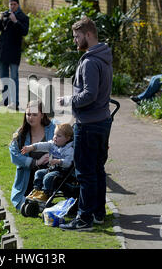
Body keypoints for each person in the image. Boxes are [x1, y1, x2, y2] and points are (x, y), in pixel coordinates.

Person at [57, 16, 113, 231]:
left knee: (85, 172)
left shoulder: (90, 61)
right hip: (102, 121)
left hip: (88, 124)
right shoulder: (104, 57)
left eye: (77, 36)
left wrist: (67, 100)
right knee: (97, 170)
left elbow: (89, 94)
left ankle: (85, 218)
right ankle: (98, 213)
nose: (75, 41)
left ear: (88, 35)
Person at [9, 100, 56, 211]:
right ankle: (31, 205)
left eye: (35, 115)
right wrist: (35, 162)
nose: (31, 118)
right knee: (24, 202)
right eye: (28, 114)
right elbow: (14, 155)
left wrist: (51, 157)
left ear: (42, 115)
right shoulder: (21, 134)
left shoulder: (53, 129)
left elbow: (64, 145)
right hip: (27, 177)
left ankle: (42, 201)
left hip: (48, 174)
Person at [21, 123, 74, 203]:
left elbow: (68, 163)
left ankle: (46, 194)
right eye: (54, 134)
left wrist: (59, 161)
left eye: (59, 136)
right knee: (39, 173)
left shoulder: (69, 150)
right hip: (51, 169)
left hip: (61, 173)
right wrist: (31, 147)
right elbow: (42, 145)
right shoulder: (52, 144)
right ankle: (37, 190)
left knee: (48, 177)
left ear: (67, 138)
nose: (55, 137)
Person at [0, 0, 29, 110]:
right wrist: (0, 19)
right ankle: (5, 100)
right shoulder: (5, 15)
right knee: (3, 77)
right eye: (10, 4)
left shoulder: (23, 17)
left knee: (14, 77)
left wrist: (15, 21)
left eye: (14, 4)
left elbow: (24, 32)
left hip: (14, 51)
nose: (12, 6)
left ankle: (15, 102)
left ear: (18, 5)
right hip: (3, 50)